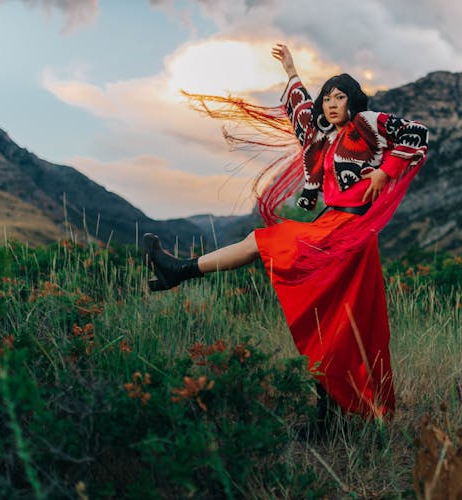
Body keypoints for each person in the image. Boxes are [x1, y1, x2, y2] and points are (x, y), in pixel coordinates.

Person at [143, 43, 428, 421]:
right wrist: (291, 71)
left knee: (264, 245)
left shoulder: (368, 123)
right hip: (333, 228)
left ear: (353, 101)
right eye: (327, 98)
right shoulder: (323, 140)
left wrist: (384, 170)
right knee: (331, 323)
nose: (331, 104)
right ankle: (330, 414)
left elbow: (416, 134)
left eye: (339, 97)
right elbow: (301, 111)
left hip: (350, 233)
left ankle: (180, 271)